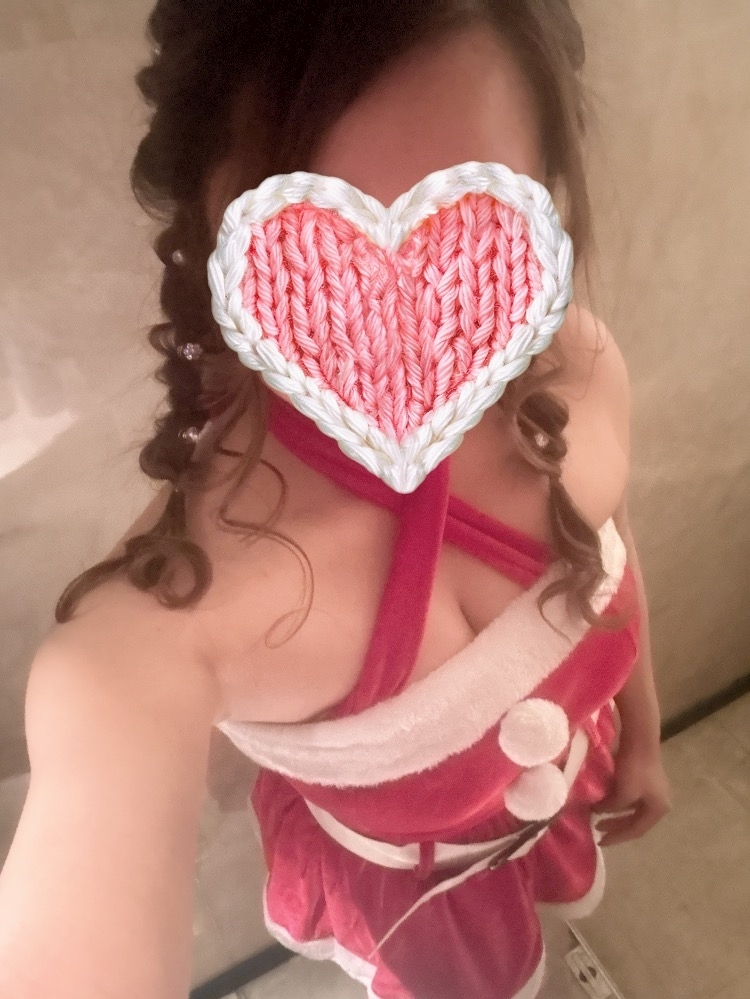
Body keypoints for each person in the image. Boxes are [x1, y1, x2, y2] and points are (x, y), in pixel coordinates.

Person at [0, 2, 672, 998]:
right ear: (210, 227)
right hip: (416, 907)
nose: (397, 316)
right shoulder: (152, 642)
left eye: (467, 216)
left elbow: (610, 539)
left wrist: (644, 734)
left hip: (568, 797)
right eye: (314, 234)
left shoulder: (577, 366)